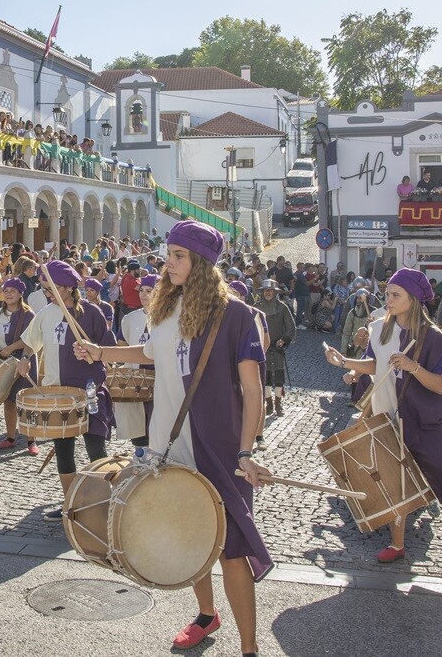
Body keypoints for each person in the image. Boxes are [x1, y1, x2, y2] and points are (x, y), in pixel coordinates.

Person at [75, 221, 271, 655]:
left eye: (179, 256)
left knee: (232, 551)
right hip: (166, 440)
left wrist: (246, 450)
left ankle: (250, 648)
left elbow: (253, 390)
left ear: (201, 263)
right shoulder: (164, 309)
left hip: (220, 447)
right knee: (190, 534)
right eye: (170, 254)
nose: (169, 263)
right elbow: (149, 354)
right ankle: (206, 614)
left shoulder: (235, 314)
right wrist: (101, 351)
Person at [324, 268, 442, 571]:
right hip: (392, 418)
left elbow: (439, 385)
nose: (388, 299)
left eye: (395, 295)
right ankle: (397, 544)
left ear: (413, 300)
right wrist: (345, 362)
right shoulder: (379, 330)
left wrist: (412, 366)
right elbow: (375, 365)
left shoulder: (432, 337)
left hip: (430, 420)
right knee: (395, 483)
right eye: (388, 294)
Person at [17, 260, 116, 520]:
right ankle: (70, 504)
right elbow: (30, 342)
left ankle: (101, 504)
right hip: (57, 392)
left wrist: (93, 354)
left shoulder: (92, 313)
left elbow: (109, 350)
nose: (47, 293)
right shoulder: (46, 313)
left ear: (69, 288)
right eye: (45, 288)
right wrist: (26, 358)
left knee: (96, 447)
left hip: (90, 390)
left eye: (51, 288)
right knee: (64, 450)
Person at [0, 278, 39, 454]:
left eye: (12, 291)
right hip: (4, 362)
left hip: (23, 359)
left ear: (21, 294)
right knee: (8, 400)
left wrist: (12, 348)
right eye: (6, 291)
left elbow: (31, 338)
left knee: (27, 401)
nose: (8, 294)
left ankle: (31, 440)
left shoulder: (29, 315)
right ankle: (10, 437)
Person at [115, 273, 158, 448]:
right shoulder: (130, 319)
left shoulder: (170, 319)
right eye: (141, 290)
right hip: (136, 381)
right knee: (138, 431)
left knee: (157, 428)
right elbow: (121, 345)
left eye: (149, 291)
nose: (143, 294)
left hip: (160, 382)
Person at [255, 279, 295, 419]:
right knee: (265, 378)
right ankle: (269, 403)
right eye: (266, 290)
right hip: (262, 347)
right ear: (262, 292)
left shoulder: (282, 307)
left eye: (270, 290)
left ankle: (278, 403)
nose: (268, 293)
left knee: (278, 377)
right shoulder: (256, 308)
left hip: (277, 347)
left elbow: (291, 327)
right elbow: (251, 327)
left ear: (275, 292)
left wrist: (283, 340)